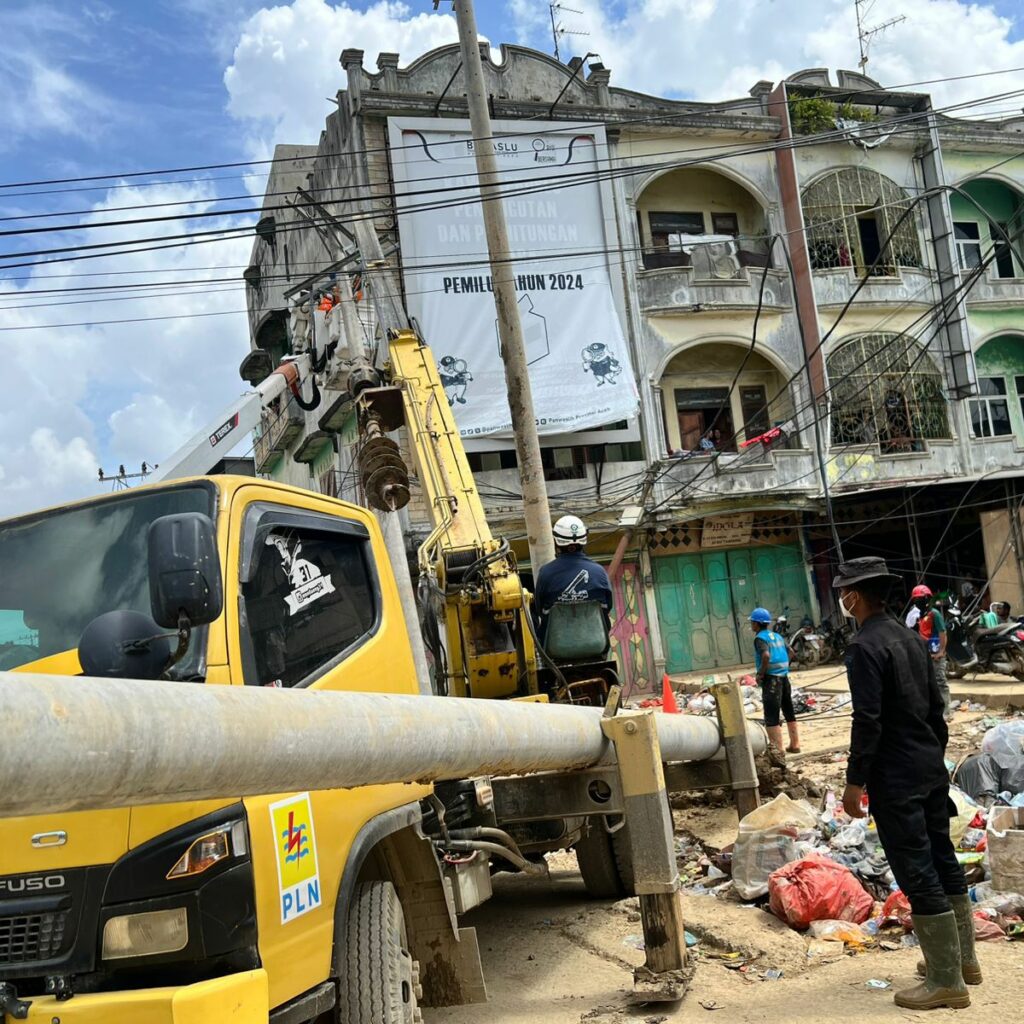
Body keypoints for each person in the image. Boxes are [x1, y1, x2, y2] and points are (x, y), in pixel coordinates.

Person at [834, 557, 977, 1012]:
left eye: (844, 592)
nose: (843, 599)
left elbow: (868, 720)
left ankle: (945, 982)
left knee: (918, 872)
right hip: (929, 769)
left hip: (896, 779)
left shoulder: (864, 648)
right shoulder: (912, 641)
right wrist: (932, 756)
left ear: (854, 596)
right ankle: (964, 963)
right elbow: (937, 710)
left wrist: (856, 781)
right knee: (943, 859)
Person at [534, 515, 612, 642]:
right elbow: (608, 606)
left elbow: (540, 610)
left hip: (556, 647)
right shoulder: (599, 572)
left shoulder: (546, 573)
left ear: (556, 541)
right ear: (584, 539)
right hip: (595, 644)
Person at [749, 608, 800, 755]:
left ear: (757, 624)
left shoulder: (760, 638)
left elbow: (765, 656)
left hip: (771, 680)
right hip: (784, 678)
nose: (751, 625)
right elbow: (791, 652)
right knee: (788, 710)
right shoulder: (777, 636)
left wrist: (760, 674)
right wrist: (784, 667)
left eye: (752, 622)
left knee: (771, 715)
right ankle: (795, 745)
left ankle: (777, 751)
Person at [906, 585, 951, 720]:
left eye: (920, 599)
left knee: (940, 681)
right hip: (923, 653)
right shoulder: (917, 615)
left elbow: (943, 632)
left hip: (936, 653)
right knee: (925, 682)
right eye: (916, 599)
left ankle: (947, 711)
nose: (918, 602)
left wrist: (942, 651)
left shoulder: (934, 614)